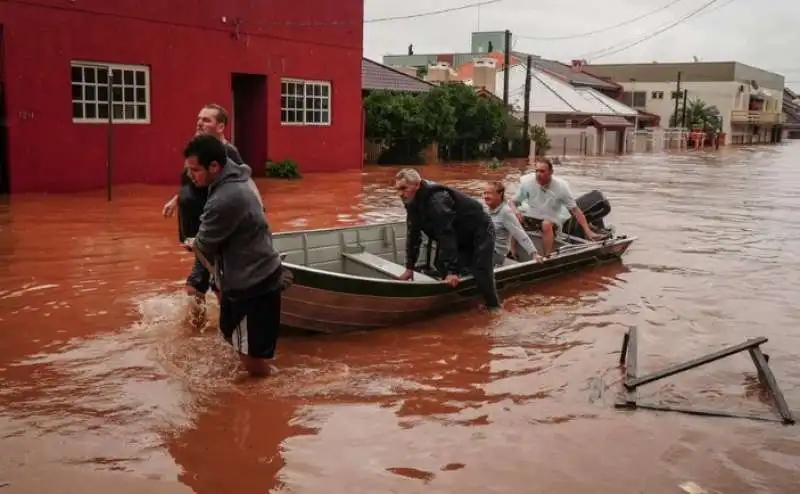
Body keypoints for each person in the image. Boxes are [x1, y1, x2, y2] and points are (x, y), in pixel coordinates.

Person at [181, 134, 285, 378]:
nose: (191, 176)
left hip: (252, 284)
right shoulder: (239, 176)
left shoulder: (224, 198)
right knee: (238, 339)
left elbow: (204, 244)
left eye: (195, 170)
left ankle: (267, 398)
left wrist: (193, 242)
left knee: (251, 359)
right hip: (257, 273)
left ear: (214, 166)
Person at [162, 104, 244, 308]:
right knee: (215, 278)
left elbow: (239, 185)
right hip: (198, 228)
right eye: (199, 118)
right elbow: (193, 181)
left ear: (221, 126)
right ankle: (221, 324)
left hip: (212, 228)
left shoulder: (227, 153)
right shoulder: (198, 148)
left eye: (206, 120)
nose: (199, 122)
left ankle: (212, 331)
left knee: (198, 285)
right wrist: (177, 198)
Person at [394, 169, 501, 310]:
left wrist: (452, 271)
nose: (400, 194)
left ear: (417, 185)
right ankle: (460, 302)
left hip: (480, 231)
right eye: (397, 189)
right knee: (440, 264)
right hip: (460, 234)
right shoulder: (411, 201)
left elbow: (446, 234)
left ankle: (494, 308)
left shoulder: (437, 200)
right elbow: (413, 234)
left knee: (481, 270)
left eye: (404, 188)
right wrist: (410, 267)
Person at [509, 158, 601, 256]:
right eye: (536, 171)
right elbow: (512, 202)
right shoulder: (527, 182)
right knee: (514, 218)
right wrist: (516, 211)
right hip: (532, 215)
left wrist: (588, 231)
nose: (538, 174)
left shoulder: (561, 187)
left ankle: (547, 256)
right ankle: (512, 252)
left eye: (542, 171)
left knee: (546, 225)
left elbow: (575, 210)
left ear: (551, 172)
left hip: (551, 218)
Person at [482, 181, 538, 266]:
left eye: (489, 193)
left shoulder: (505, 212)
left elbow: (520, 233)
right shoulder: (487, 210)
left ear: (500, 194)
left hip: (496, 254)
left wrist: (534, 253)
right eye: (484, 193)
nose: (485, 196)